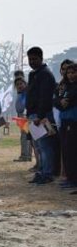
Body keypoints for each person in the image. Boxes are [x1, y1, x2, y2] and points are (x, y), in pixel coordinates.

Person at [26, 47, 56, 185]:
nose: (32, 61)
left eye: (34, 59)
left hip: (41, 116)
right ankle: (41, 171)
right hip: (32, 115)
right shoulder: (33, 74)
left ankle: (47, 174)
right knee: (38, 147)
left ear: (41, 58)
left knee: (45, 146)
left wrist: (40, 115)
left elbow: (45, 97)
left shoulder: (46, 74)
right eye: (30, 59)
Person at [54, 63, 77, 191]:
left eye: (74, 72)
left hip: (73, 122)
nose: (71, 75)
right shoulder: (65, 86)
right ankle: (69, 177)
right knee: (66, 151)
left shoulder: (74, 87)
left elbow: (67, 101)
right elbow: (56, 100)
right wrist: (59, 101)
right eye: (69, 73)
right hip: (64, 122)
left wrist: (62, 101)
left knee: (73, 151)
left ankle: (74, 179)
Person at [13, 77, 32, 162]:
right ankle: (26, 155)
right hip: (20, 116)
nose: (19, 86)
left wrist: (24, 115)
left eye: (21, 83)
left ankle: (25, 156)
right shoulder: (20, 93)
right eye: (17, 84)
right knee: (24, 136)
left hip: (25, 115)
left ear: (25, 84)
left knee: (25, 136)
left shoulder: (27, 93)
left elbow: (25, 105)